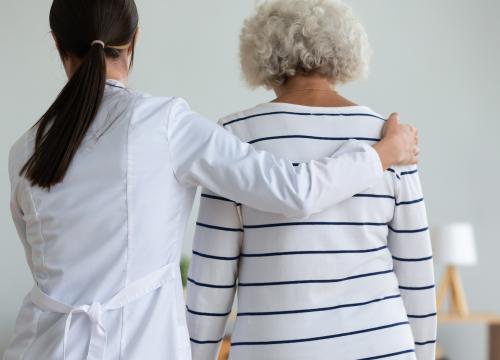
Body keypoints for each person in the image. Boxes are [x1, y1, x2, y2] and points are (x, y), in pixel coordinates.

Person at [4, 0, 419, 359]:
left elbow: (41, 260)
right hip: (136, 348)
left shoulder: (24, 150)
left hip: (38, 345)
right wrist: (384, 152)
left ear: (58, 45)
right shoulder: (163, 123)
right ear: (133, 41)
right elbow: (295, 191)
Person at [186, 0, 436, 359]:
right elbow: (416, 270)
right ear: (345, 52)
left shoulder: (234, 138)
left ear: (262, 56)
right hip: (383, 346)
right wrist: (424, 353)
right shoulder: (390, 138)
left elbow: (211, 280)